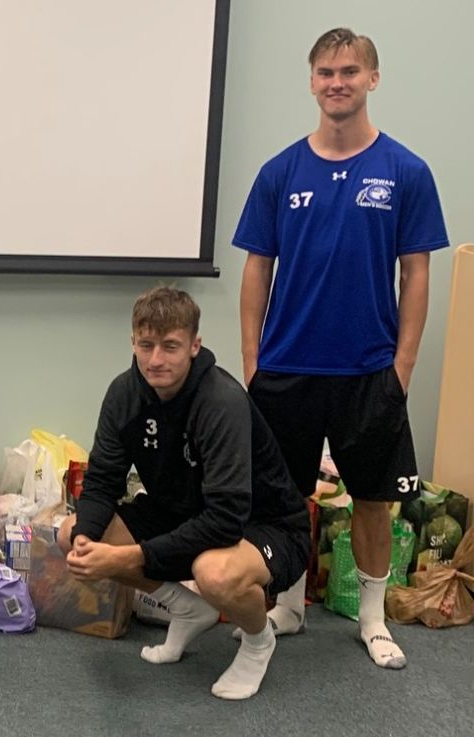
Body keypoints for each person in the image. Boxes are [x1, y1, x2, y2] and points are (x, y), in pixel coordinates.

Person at [233, 28, 448, 669]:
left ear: (372, 79)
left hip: (368, 371)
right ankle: (291, 604)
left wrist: (402, 368)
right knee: (283, 499)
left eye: (349, 71)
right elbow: (255, 272)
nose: (337, 82)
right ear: (311, 82)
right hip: (285, 370)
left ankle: (374, 621)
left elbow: (416, 274)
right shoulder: (279, 173)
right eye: (325, 72)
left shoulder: (406, 172)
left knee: (375, 503)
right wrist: (253, 363)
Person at [60, 286, 310, 700]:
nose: (156, 360)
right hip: (180, 511)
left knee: (214, 572)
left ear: (195, 345)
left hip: (265, 525)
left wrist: (131, 557)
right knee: (73, 534)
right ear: (133, 342)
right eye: (147, 345)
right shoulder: (124, 393)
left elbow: (226, 520)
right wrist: (87, 539)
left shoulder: (221, 401)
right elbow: (104, 480)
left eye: (170, 346)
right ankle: (187, 607)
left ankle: (258, 640)